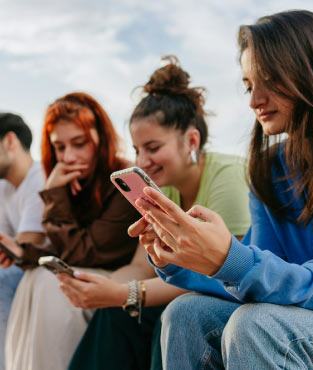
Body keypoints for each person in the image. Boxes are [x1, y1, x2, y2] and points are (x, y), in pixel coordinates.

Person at [132, 10, 313, 369]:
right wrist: (180, 258)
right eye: (248, 85)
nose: (254, 99)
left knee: (256, 326)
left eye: (270, 80)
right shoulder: (271, 168)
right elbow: (260, 275)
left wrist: (232, 259)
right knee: (186, 312)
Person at [57, 56, 250, 370]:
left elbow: (221, 275)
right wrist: (97, 287)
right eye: (136, 150)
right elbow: (140, 265)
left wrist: (123, 293)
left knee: (159, 313)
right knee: (113, 312)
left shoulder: (226, 177)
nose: (142, 160)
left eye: (153, 147)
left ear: (191, 140)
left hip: (226, 296)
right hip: (186, 290)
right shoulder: (162, 186)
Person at [2, 92, 140, 370]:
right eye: (59, 147)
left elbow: (86, 251)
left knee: (49, 284)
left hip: (117, 279)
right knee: (33, 276)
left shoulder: (123, 179)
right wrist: (20, 252)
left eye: (79, 144)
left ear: (101, 138)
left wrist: (54, 195)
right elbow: (62, 248)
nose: (69, 156)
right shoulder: (74, 181)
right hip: (86, 271)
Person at [0, 113, 45, 370]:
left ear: (9, 141)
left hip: (40, 267)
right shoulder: (4, 187)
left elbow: (25, 244)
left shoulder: (39, 177)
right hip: (19, 267)